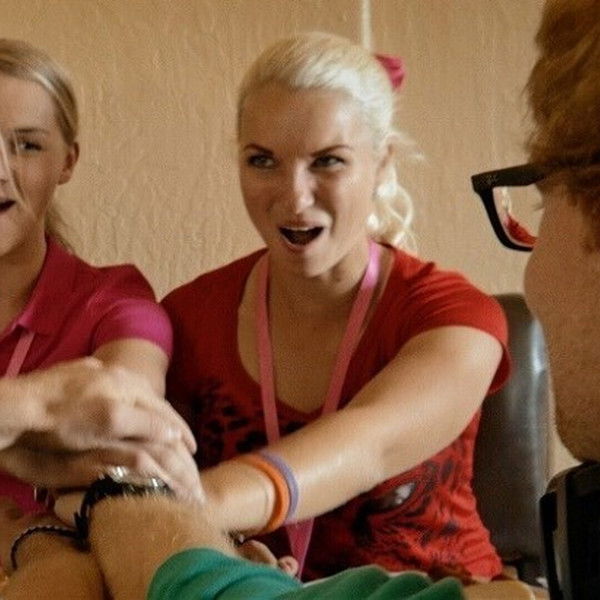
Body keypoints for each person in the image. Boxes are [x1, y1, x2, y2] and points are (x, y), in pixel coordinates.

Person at [163, 31, 510, 581]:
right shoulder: (188, 317)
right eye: (263, 161)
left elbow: (370, 444)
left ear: (382, 163)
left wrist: (184, 513)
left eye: (327, 162)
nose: (294, 196)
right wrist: (217, 547)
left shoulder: (455, 317)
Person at [0, 37, 201, 516]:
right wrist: (42, 407)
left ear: (67, 161)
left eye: (26, 145)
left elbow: (125, 423)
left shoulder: (114, 302)